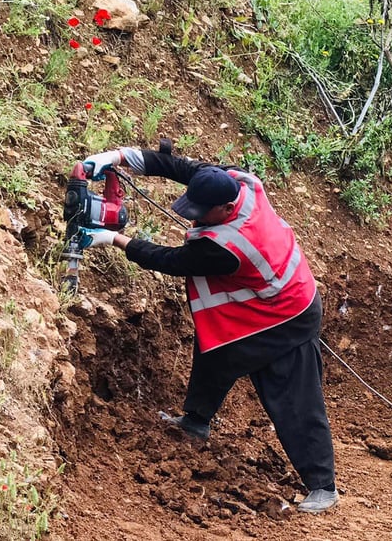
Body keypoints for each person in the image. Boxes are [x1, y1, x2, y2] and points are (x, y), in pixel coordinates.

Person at [76, 145, 339, 514]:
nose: (193, 216)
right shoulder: (232, 181)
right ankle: (196, 420)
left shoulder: (230, 247)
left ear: (226, 210)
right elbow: (175, 164)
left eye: (201, 213)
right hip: (261, 299)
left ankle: (323, 486)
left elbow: (171, 260)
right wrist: (119, 158)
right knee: (219, 346)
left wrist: (113, 239)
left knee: (292, 396)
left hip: (289, 314)